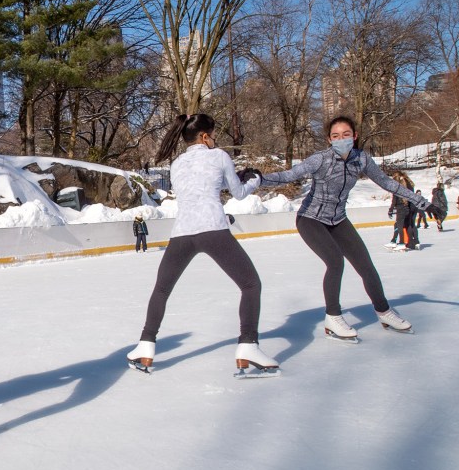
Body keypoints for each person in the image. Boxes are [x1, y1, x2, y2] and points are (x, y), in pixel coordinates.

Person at [254, 116, 444, 341]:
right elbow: (288, 176)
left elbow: (388, 183)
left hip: (339, 220)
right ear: (329, 139)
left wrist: (424, 202)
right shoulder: (320, 159)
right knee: (335, 262)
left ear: (354, 136)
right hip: (311, 219)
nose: (341, 139)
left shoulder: (361, 159)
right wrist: (257, 179)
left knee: (366, 265)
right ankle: (333, 317)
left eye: (346, 135)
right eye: (335, 136)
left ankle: (383, 311)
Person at [126, 114, 279, 377]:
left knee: (161, 290)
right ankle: (248, 345)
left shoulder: (176, 164)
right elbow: (238, 193)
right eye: (213, 135)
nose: (215, 139)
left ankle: (145, 345)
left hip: (182, 233)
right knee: (251, 284)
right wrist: (254, 178)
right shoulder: (219, 155)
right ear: (205, 136)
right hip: (213, 229)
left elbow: (199, 185)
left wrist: (233, 176)